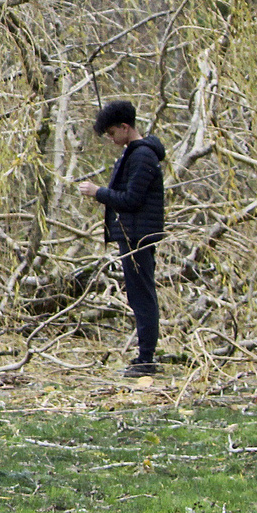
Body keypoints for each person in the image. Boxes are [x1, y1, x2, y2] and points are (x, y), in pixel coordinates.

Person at [75, 100, 166, 378]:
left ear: (126, 127)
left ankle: (146, 358)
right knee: (138, 295)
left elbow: (131, 199)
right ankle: (144, 355)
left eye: (113, 133)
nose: (112, 139)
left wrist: (97, 191)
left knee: (142, 296)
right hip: (132, 234)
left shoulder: (142, 156)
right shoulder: (132, 154)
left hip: (138, 235)